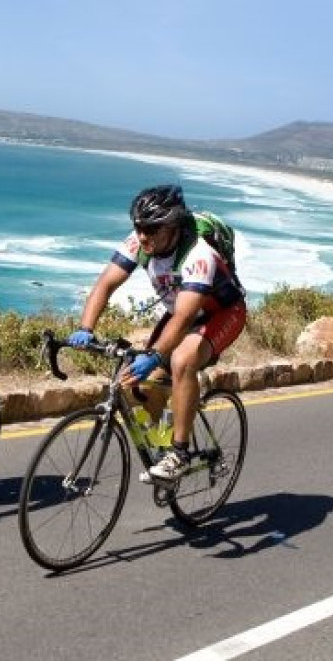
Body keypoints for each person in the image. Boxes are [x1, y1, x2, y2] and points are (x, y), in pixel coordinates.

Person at [67, 184, 246, 482]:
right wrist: (86, 328)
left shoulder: (198, 254)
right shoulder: (140, 244)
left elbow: (186, 316)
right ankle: (164, 447)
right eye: (138, 227)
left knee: (182, 361)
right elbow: (105, 285)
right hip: (182, 313)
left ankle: (180, 453)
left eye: (151, 229)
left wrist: (155, 354)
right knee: (144, 387)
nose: (142, 235)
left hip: (223, 313)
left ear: (173, 227)